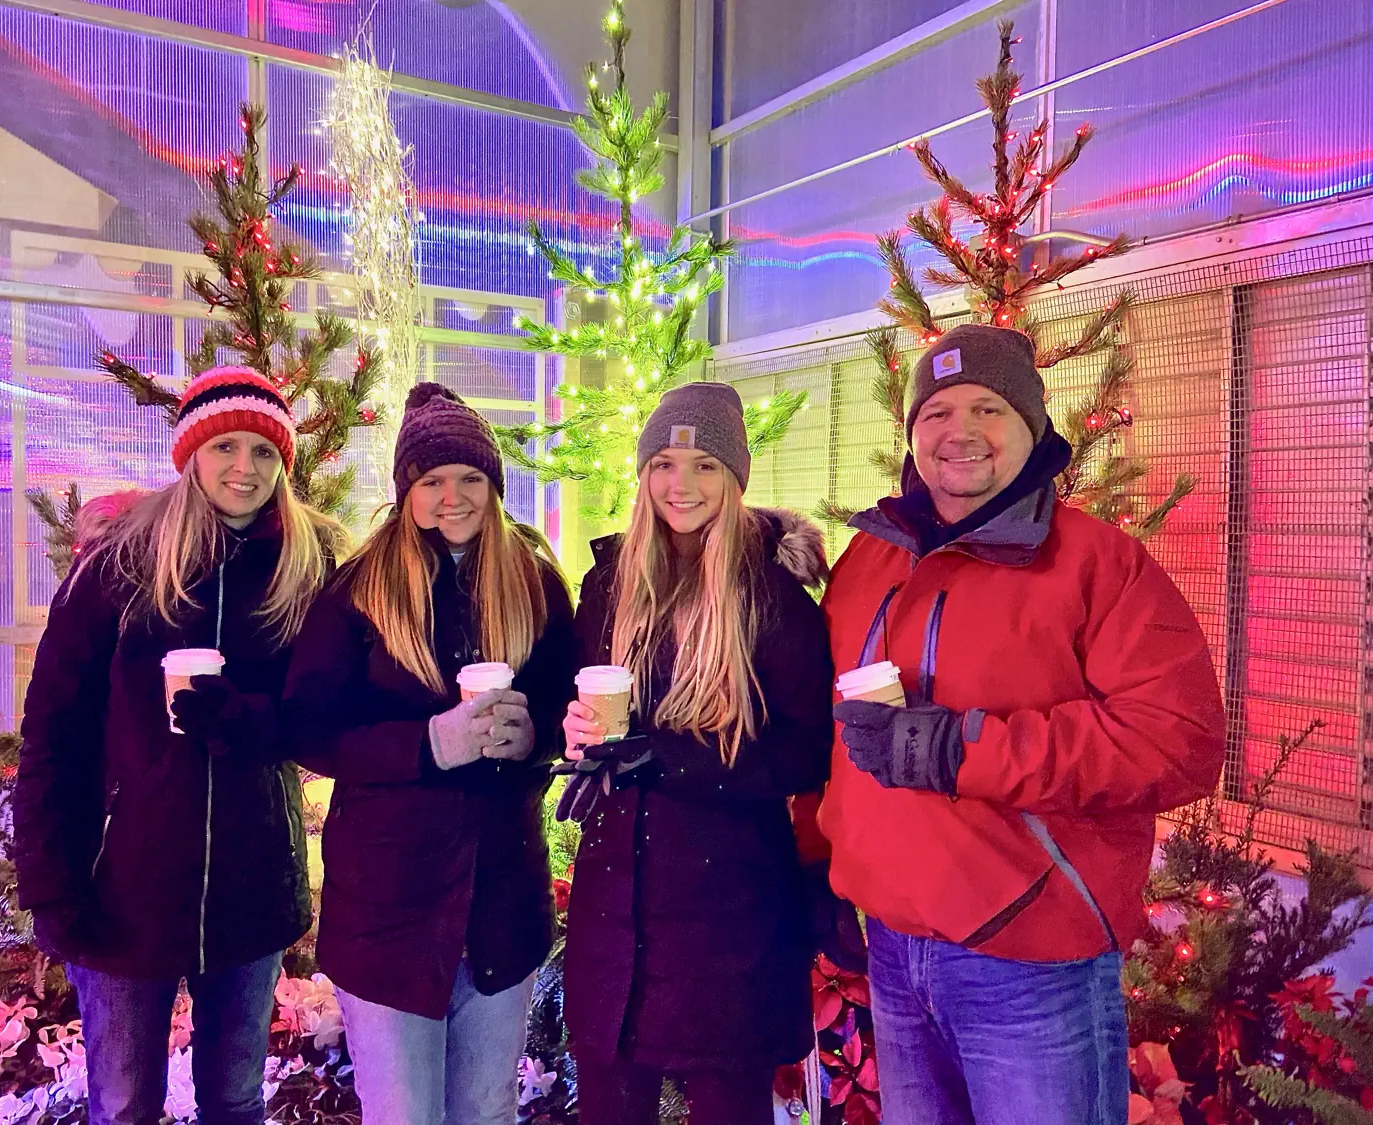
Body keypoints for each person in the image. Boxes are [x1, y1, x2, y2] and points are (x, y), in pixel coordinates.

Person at [812, 323, 1226, 1125]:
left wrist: (966, 748)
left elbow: (1177, 741)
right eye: (935, 412)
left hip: (1030, 957)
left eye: (987, 408)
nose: (958, 432)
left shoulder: (1096, 563)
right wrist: (818, 856)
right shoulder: (867, 561)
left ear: (1033, 426)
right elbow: (821, 725)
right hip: (893, 948)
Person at [14, 365, 346, 1125]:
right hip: (123, 884)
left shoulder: (305, 568)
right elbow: (53, 735)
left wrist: (253, 720)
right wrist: (50, 885)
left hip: (251, 886)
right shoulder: (121, 565)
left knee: (233, 1100)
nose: (245, 468)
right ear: (190, 453)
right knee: (127, 1102)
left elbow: (327, 718)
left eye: (264, 453)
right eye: (224, 446)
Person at [280, 382, 575, 1125]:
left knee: (485, 1109)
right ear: (407, 490)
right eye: (433, 480)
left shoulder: (533, 581)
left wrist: (532, 738)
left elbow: (565, 706)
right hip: (388, 910)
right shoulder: (359, 590)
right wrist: (425, 744)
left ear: (494, 487)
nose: (453, 496)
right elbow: (309, 728)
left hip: (500, 906)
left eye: (471, 478)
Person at [558, 382, 836, 1125]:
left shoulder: (773, 601)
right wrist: (577, 729)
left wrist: (668, 756)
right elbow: (575, 697)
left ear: (735, 478)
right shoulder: (610, 587)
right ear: (644, 474)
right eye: (665, 463)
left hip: (731, 914)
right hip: (615, 907)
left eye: (706, 464)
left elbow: (808, 753)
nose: (682, 485)